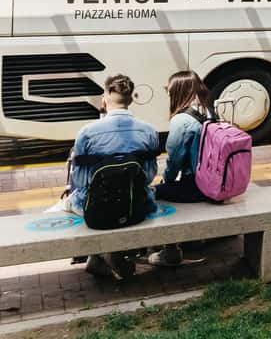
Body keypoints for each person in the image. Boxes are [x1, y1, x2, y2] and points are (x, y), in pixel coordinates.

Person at [64, 74, 159, 280]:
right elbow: (150, 175)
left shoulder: (87, 132)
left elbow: (79, 180)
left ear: (104, 100)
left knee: (71, 200)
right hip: (137, 203)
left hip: (97, 207)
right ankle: (105, 258)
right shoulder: (149, 130)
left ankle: (98, 257)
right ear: (131, 99)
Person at [149, 71, 215, 267]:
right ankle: (193, 239)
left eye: (169, 92)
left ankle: (170, 251)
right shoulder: (208, 111)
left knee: (155, 193)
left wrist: (165, 182)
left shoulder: (182, 120)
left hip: (196, 187)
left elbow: (174, 161)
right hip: (213, 182)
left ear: (178, 92)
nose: (168, 96)